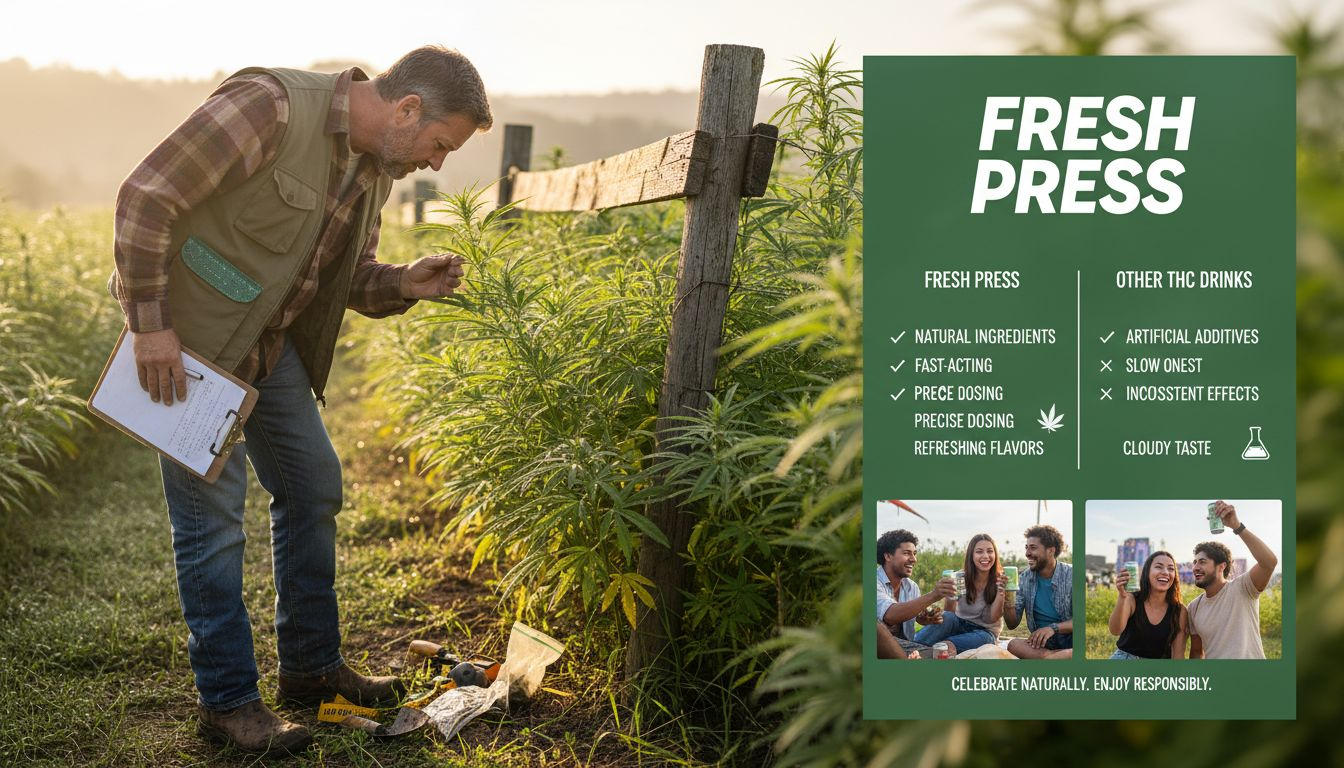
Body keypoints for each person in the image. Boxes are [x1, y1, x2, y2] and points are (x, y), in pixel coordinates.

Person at [110, 46, 492, 755]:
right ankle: (226, 702)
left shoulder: (374, 168)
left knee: (314, 485)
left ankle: (312, 669)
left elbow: (346, 277)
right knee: (213, 523)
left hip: (270, 345)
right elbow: (146, 196)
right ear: (407, 109)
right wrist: (151, 327)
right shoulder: (271, 107)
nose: (437, 164)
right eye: (441, 145)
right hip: (190, 349)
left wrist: (403, 281)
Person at [1189, 500, 1278, 659]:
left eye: (1202, 562)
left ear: (1221, 566)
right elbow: (1196, 652)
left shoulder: (1243, 588)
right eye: (1194, 562)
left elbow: (1269, 562)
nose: (1195, 567)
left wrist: (1237, 526)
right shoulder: (1193, 607)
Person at [914, 533, 1004, 654]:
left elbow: (993, 618)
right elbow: (949, 612)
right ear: (971, 555)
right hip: (959, 623)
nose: (985, 556)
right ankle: (913, 645)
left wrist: (1001, 592)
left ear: (995, 554)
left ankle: (943, 646)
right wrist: (951, 594)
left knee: (946, 645)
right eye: (979, 552)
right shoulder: (960, 577)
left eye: (990, 551)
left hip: (985, 632)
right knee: (948, 617)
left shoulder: (1001, 580)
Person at [875, 529, 957, 657]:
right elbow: (890, 615)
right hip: (880, 647)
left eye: (914, 553)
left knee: (948, 628)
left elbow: (915, 616)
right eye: (907, 553)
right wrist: (934, 594)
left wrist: (924, 619)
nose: (914, 559)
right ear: (888, 556)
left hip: (907, 643)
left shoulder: (911, 587)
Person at [1004, 524, 1073, 659]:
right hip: (1042, 645)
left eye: (1033, 548)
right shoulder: (1024, 578)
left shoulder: (1072, 575)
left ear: (1051, 551)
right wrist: (1007, 597)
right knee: (1013, 644)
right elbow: (1012, 624)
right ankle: (1054, 657)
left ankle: (1054, 658)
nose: (1027, 553)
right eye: (1026, 548)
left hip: (1071, 640)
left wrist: (1053, 628)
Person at [1107, 550, 1188, 659]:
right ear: (1147, 572)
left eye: (1171, 568)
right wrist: (1122, 597)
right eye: (1159, 567)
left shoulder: (1180, 611)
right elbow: (1115, 630)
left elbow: (1178, 655)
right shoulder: (1131, 599)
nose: (1165, 572)